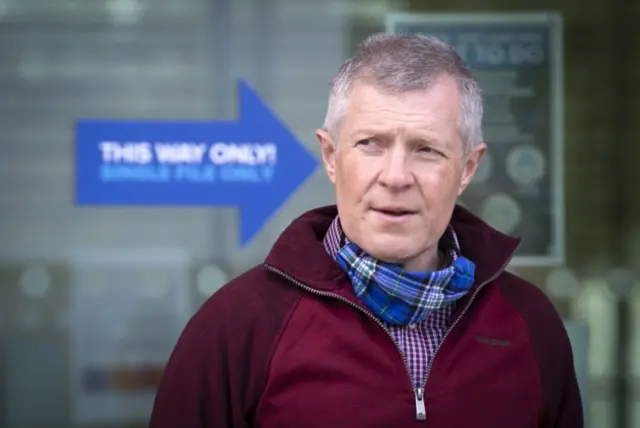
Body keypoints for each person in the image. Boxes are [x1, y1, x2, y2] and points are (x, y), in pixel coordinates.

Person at [149, 33, 583, 428]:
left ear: (467, 168)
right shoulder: (238, 326)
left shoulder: (529, 324)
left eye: (426, 149)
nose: (395, 176)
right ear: (331, 156)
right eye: (370, 144)